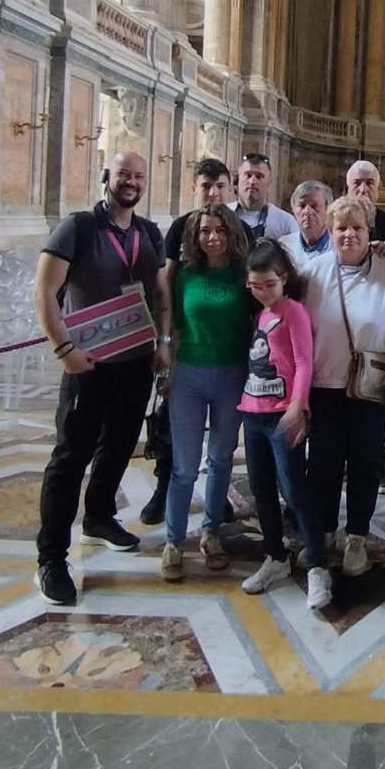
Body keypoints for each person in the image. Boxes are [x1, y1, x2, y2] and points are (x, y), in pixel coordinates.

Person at [31, 151, 168, 606]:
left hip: (136, 361)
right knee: (71, 457)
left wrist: (164, 341)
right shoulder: (78, 227)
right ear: (107, 177)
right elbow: (44, 292)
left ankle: (100, 516)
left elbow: (161, 293)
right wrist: (64, 350)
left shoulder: (149, 233)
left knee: (119, 445)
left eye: (139, 175)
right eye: (124, 174)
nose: (131, 181)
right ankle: (51, 559)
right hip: (87, 364)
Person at [303, 196, 385, 575]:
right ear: (329, 232)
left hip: (372, 386)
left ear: (370, 231)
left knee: (366, 462)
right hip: (324, 384)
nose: (349, 234)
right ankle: (322, 533)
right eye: (341, 228)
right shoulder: (313, 273)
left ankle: (356, 535)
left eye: (357, 227)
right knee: (323, 463)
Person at [140, 157, 250, 526]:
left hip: (231, 368)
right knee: (179, 453)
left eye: (220, 186)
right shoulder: (180, 236)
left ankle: (213, 517)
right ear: (195, 188)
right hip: (188, 365)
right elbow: (168, 292)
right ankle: (168, 506)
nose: (213, 192)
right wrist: (165, 345)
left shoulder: (241, 254)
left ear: (230, 188)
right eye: (206, 185)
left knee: (221, 453)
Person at [159, 205, 256, 582]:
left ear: (231, 234)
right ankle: (173, 540)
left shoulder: (243, 277)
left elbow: (257, 322)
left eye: (219, 230)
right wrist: (167, 366)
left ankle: (211, 531)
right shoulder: (185, 275)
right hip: (188, 375)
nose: (212, 237)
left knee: (220, 458)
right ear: (195, 237)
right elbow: (173, 324)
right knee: (184, 465)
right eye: (204, 231)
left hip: (232, 374)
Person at [238, 242, 332, 609]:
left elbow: (304, 362)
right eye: (255, 286)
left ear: (284, 279)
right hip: (253, 411)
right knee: (260, 489)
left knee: (294, 489)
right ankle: (275, 555)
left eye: (269, 284)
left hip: (283, 413)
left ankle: (317, 564)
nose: (263, 292)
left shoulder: (293, 311)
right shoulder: (259, 314)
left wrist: (298, 405)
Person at [235, 152, 299, 242]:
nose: (252, 181)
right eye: (248, 175)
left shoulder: (286, 222)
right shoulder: (222, 216)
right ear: (238, 178)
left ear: (269, 181)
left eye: (259, 176)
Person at [346, 160, 385, 257]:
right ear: (348, 188)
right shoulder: (334, 219)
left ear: (377, 190)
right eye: (357, 183)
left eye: (369, 183)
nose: (363, 189)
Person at [281, 180, 334, 265]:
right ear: (293, 209)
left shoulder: (338, 247)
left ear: (328, 209)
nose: (307, 211)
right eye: (302, 206)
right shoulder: (284, 246)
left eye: (314, 206)